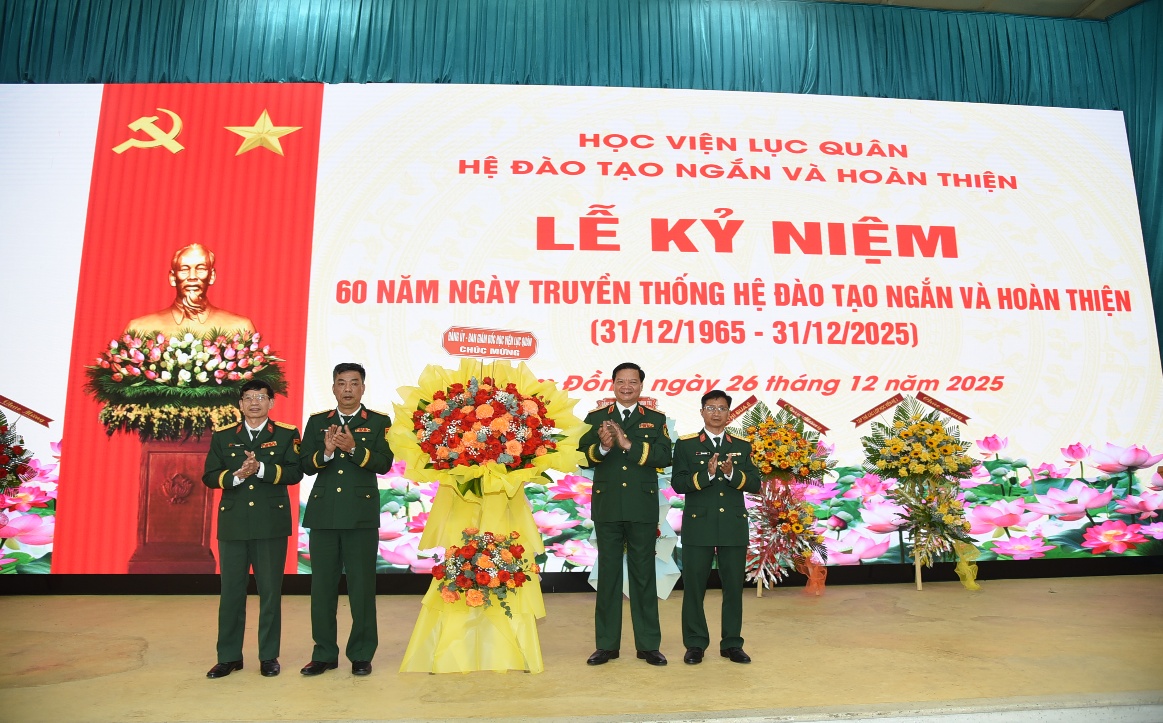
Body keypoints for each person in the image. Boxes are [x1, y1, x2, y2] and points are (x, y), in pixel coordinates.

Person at [201, 379, 302, 678]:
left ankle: (268, 656)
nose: (254, 402)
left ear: (271, 402)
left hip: (270, 524)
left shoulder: (286, 434)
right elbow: (209, 476)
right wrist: (236, 476)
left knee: (270, 593)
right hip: (233, 524)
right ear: (240, 404)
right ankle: (229, 656)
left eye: (260, 397)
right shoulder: (223, 436)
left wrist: (261, 469)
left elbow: (295, 472)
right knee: (231, 593)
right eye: (248, 397)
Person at [298, 363, 393, 677]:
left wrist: (354, 449)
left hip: (360, 517)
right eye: (342, 383)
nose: (348, 389)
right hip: (324, 515)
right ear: (333, 388)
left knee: (362, 588)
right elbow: (305, 465)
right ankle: (324, 653)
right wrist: (325, 453)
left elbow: (384, 463)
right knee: (322, 589)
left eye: (354, 383)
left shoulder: (378, 421)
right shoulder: (317, 422)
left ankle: (362, 654)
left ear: (363, 387)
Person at [578, 363, 673, 666]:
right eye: (621, 381)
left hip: (641, 506)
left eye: (633, 382)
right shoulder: (596, 418)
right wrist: (603, 448)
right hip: (608, 506)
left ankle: (648, 645)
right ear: (613, 384)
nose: (627, 387)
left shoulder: (656, 420)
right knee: (608, 575)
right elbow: (582, 455)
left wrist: (628, 444)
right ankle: (606, 645)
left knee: (644, 575)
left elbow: (664, 456)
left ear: (641, 386)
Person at [670, 390, 761, 665]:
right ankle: (695, 643)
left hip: (733, 526)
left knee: (733, 588)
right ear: (702, 412)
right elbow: (679, 484)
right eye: (710, 408)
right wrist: (707, 474)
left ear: (729, 413)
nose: (716, 413)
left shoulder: (742, 446)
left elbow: (754, 484)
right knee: (694, 588)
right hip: (699, 526)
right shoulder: (686, 445)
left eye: (722, 408)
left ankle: (732, 643)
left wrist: (732, 473)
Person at [126, 243, 254, 335]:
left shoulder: (240, 329)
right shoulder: (139, 330)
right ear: (172, 277)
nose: (192, 276)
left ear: (212, 276)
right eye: (184, 269)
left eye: (201, 269)